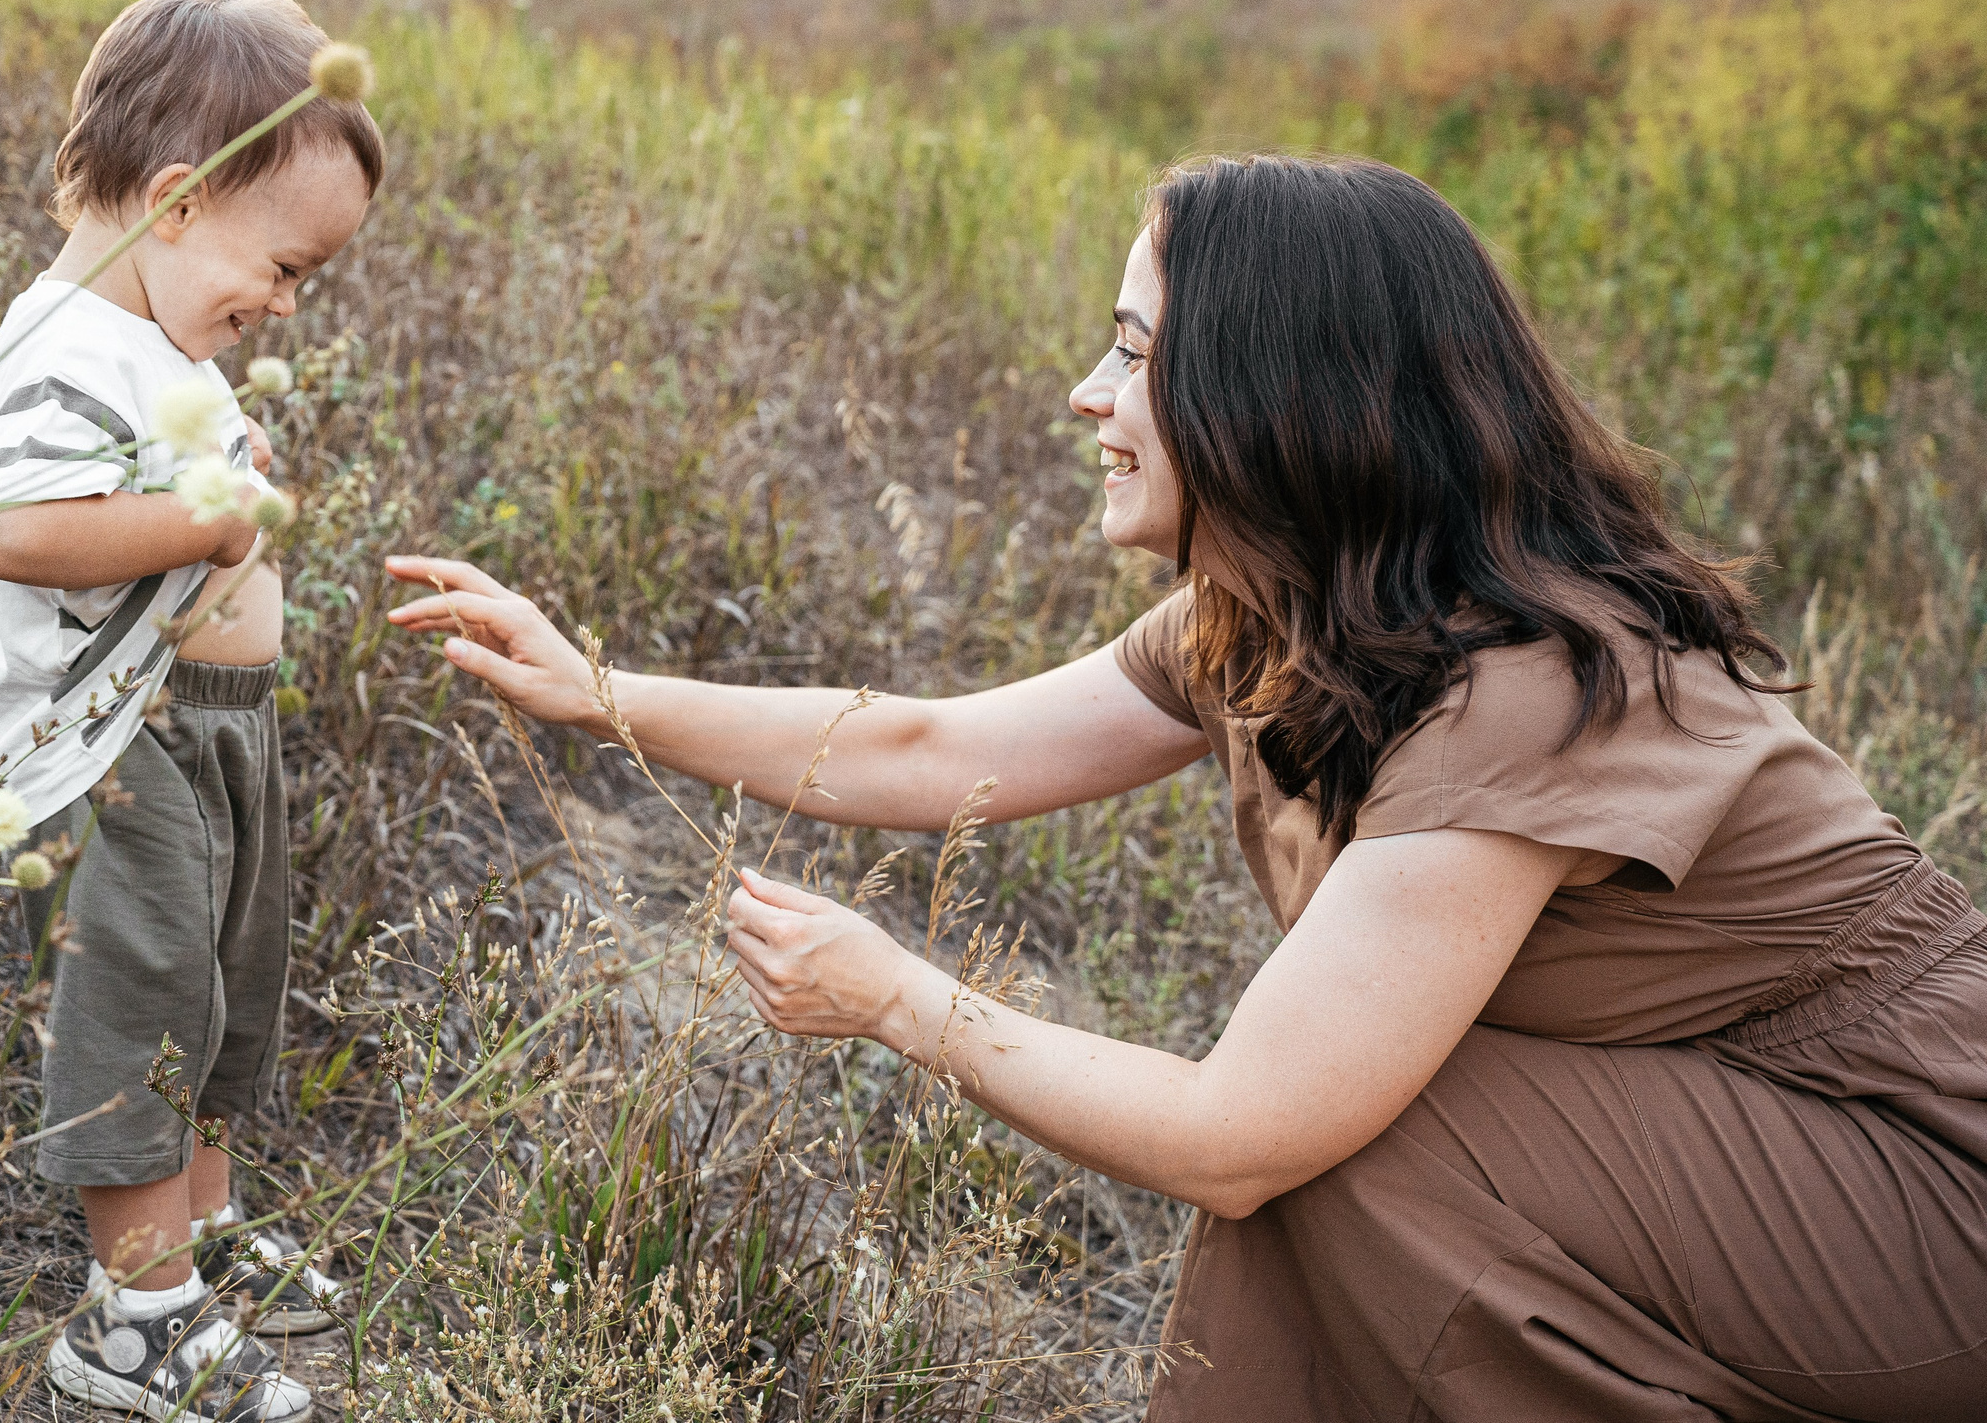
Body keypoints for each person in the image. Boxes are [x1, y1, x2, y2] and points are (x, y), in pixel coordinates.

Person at [383, 153, 1987, 1421]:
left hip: (1925, 1189)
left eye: (1135, 351)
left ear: (1276, 391)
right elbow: (933, 752)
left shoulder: (1524, 688)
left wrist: (893, 998)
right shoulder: (1285, 620)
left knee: (1357, 1132)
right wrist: (594, 694)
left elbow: (1238, 1136)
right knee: (1374, 1120)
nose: (1086, 392)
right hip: (1761, 1152)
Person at [0, 0, 379, 1422]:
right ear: (179, 199)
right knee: (139, 1012)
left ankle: (196, 1246)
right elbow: (17, 528)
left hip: (208, 731)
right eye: (285, 265)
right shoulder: (63, 346)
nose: (281, 304)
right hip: (112, 750)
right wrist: (206, 522)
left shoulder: (158, 340)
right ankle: (133, 1321)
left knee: (210, 1007)